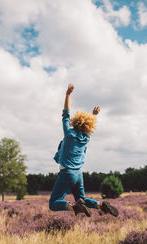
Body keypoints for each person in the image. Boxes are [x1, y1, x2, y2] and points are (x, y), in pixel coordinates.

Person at [49, 84, 119, 217]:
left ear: (75, 123)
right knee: (82, 199)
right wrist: (93, 116)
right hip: (78, 175)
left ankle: (74, 207)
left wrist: (68, 95)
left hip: (67, 173)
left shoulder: (69, 134)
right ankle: (100, 205)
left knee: (53, 203)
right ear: (88, 126)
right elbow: (86, 125)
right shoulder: (86, 137)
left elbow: (66, 115)